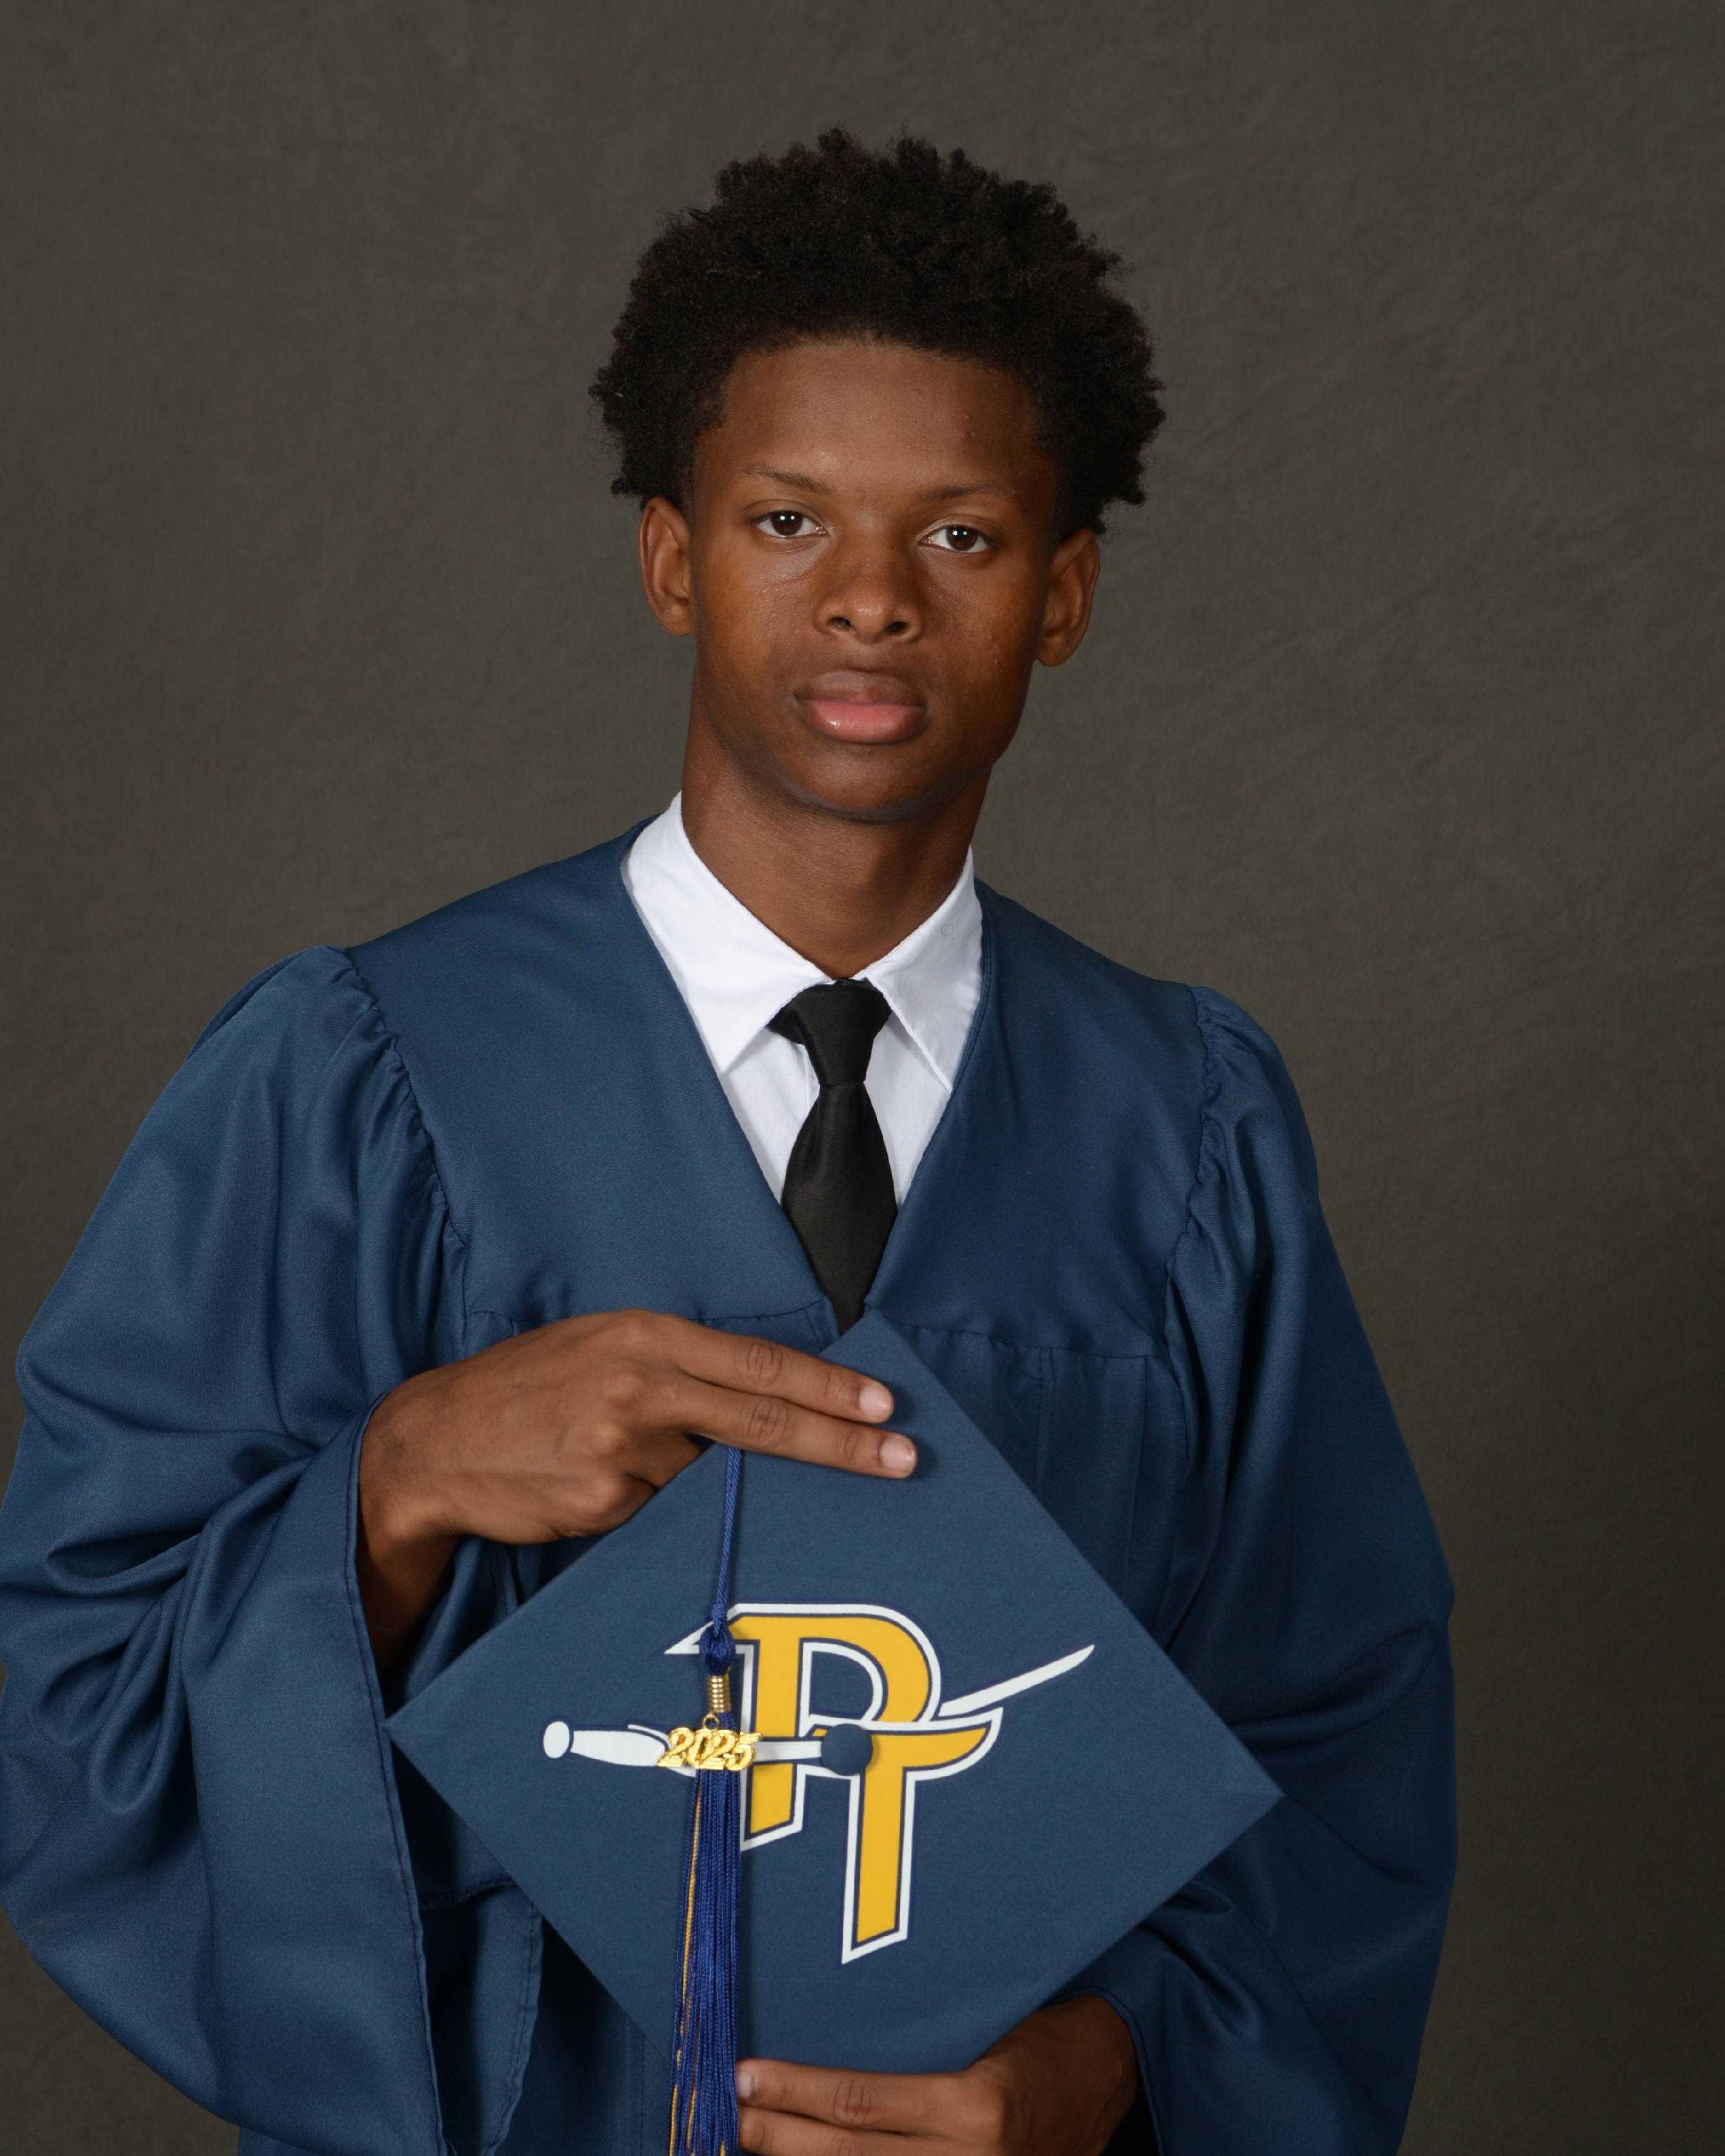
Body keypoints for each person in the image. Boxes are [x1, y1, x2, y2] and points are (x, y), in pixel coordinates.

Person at [0, 133, 1454, 2156]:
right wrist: (394, 1488)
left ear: (1063, 595)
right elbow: (72, 1689)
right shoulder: (366, 1073)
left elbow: (1337, 1737)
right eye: (788, 519)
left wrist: (1120, 2063)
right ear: (674, 559)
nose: (869, 596)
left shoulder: (1185, 1128)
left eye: (961, 535)